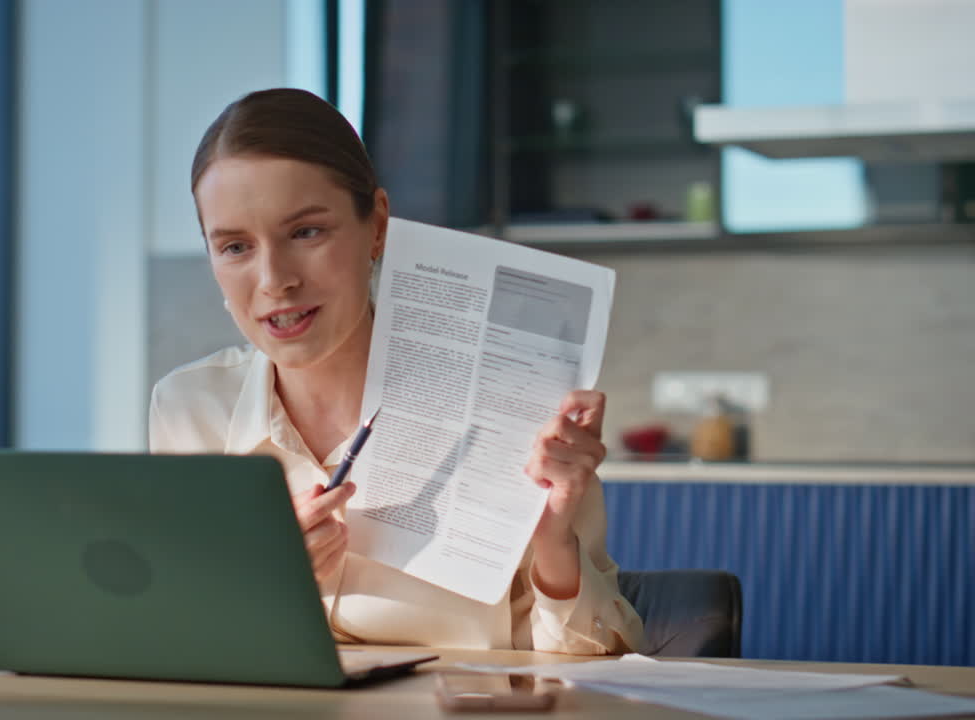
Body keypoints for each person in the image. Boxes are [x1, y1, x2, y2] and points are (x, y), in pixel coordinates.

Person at [149, 88, 644, 654]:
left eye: (306, 232)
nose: (274, 280)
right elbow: (178, 646)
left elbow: (606, 672)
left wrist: (553, 541)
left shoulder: (516, 412)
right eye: (235, 246)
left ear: (377, 226)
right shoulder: (189, 410)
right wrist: (263, 585)